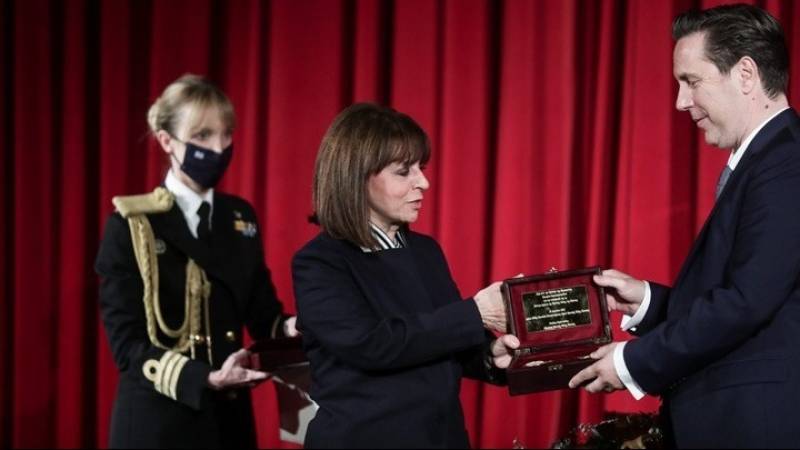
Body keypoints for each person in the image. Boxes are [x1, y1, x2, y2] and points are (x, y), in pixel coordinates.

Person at [569, 4, 800, 448]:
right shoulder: (769, 159)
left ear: (746, 74)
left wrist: (631, 363)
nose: (681, 101)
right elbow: (747, 295)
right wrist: (646, 301)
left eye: (692, 82)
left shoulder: (785, 162)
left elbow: (746, 303)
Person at [292, 103, 519, 448]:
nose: (423, 182)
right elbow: (372, 345)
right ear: (356, 177)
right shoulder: (319, 263)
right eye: (403, 172)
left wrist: (489, 355)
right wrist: (476, 313)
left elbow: (442, 341)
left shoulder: (426, 251)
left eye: (421, 168)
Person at [95, 74, 297, 448]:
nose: (219, 148)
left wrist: (293, 328)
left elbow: (263, 315)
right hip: (159, 423)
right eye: (203, 135)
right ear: (166, 141)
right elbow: (127, 344)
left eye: (226, 134)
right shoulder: (133, 225)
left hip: (229, 422)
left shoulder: (239, 218)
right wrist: (204, 378)